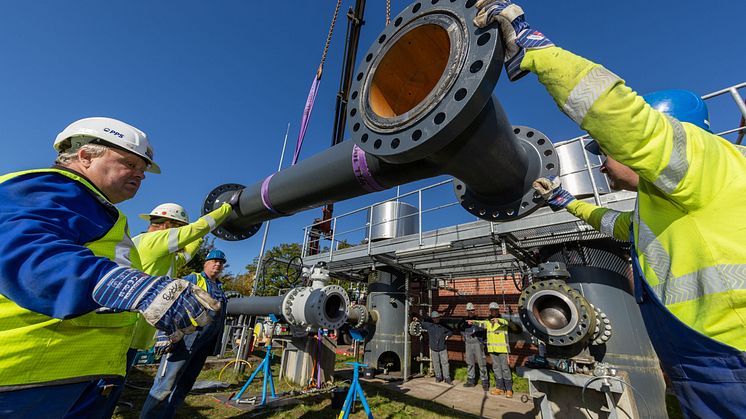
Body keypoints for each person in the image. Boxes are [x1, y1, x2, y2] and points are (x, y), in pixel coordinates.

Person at [474, 1, 746, 416]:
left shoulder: (704, 159)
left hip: (733, 361)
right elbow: (620, 227)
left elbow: (616, 114)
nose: (601, 161)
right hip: (706, 364)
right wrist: (567, 203)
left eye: (605, 150)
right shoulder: (668, 205)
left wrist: (537, 51)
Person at [0, 117, 223, 418]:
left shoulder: (99, 209)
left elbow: (185, 251)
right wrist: (132, 287)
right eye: (130, 164)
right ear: (85, 156)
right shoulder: (48, 188)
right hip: (26, 377)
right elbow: (24, 250)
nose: (139, 175)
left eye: (143, 171)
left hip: (80, 371)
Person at [140, 249, 230, 418]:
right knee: (165, 383)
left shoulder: (220, 288)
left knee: (185, 383)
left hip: (203, 345)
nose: (217, 264)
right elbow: (168, 302)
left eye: (221, 262)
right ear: (206, 263)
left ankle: (167, 415)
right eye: (214, 261)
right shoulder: (193, 279)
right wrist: (164, 333)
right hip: (184, 340)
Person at [135, 202, 233, 277]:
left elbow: (184, 257)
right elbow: (198, 228)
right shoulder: (157, 240)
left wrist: (198, 236)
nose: (182, 232)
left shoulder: (137, 242)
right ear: (167, 225)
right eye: (180, 228)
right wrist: (228, 207)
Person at [472, 302, 513, 397]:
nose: (493, 312)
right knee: (496, 368)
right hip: (492, 350)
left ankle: (509, 389)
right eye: (491, 310)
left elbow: (508, 323)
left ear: (498, 310)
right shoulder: (488, 322)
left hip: (502, 349)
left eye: (495, 310)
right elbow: (481, 323)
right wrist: (473, 322)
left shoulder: (503, 320)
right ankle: (500, 388)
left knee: (505, 369)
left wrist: (498, 321)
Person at [415, 311, 453, 385]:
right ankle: (438, 377)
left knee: (445, 363)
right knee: (436, 363)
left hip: (442, 347)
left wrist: (448, 335)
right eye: (435, 318)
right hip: (433, 347)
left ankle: (447, 377)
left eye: (437, 317)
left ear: (439, 317)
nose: (436, 319)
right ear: (432, 318)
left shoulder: (443, 325)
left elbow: (450, 331)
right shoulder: (429, 325)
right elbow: (421, 323)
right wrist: (417, 319)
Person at [460, 302, 489, 391]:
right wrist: (465, 335)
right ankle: (471, 381)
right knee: (470, 362)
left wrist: (475, 326)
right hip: (468, 343)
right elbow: (459, 328)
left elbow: (485, 328)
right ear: (467, 311)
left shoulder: (479, 320)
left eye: (472, 310)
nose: (470, 312)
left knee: (482, 363)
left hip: (478, 343)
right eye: (469, 310)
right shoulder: (463, 321)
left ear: (474, 310)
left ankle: (485, 382)